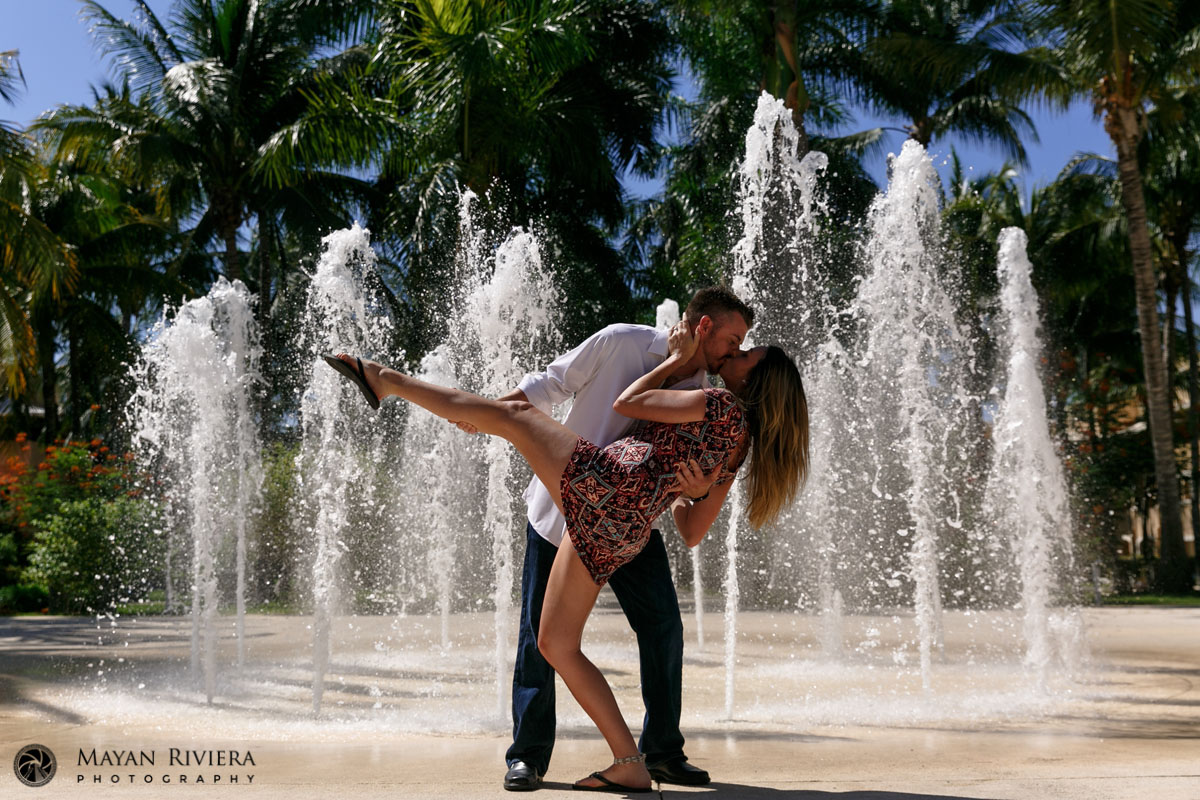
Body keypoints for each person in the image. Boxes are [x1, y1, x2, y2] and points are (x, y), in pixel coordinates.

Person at [325, 307, 809, 793]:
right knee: (553, 642)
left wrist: (669, 373)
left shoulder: (718, 405)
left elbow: (628, 401)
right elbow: (691, 530)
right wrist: (697, 492)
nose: (738, 352)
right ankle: (627, 762)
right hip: (622, 530)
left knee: (513, 416)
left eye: (747, 353)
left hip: (604, 488)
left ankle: (384, 380)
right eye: (738, 342)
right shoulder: (740, 443)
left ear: (758, 381)